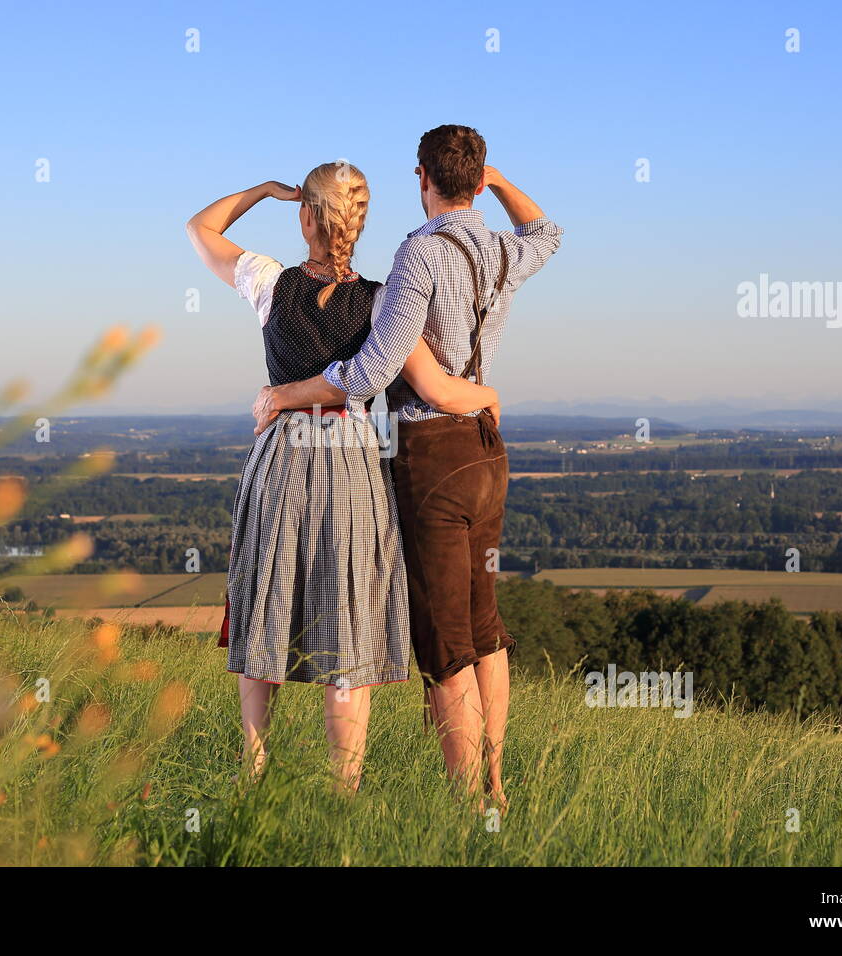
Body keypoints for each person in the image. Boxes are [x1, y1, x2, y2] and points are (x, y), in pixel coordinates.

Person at [252, 127, 562, 806]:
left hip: (433, 455)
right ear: (477, 181)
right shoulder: (504, 251)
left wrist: (292, 392)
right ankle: (497, 780)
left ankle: (469, 807)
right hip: (487, 450)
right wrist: (499, 183)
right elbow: (548, 233)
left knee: (447, 645)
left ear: (421, 175)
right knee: (487, 630)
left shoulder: (418, 254)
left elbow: (375, 369)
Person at [185, 161, 500, 791]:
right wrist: (488, 396)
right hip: (354, 457)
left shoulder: (270, 282)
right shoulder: (389, 302)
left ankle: (253, 770)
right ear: (360, 222)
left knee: (265, 607)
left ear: (306, 216)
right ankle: (342, 788)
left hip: (280, 455)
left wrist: (262, 191)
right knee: (349, 624)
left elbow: (200, 228)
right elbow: (433, 385)